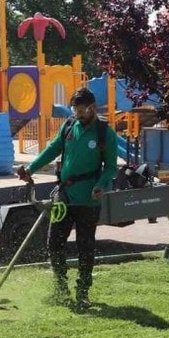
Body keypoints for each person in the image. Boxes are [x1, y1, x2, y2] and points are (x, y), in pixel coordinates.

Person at [16, 87, 117, 310]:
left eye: (81, 110)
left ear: (92, 108)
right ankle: (61, 288)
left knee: (85, 246)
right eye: (75, 109)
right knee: (54, 242)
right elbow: (52, 149)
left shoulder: (104, 133)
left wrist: (101, 186)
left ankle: (83, 293)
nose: (78, 114)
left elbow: (110, 168)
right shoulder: (69, 126)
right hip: (64, 195)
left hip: (89, 199)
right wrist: (30, 169)